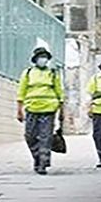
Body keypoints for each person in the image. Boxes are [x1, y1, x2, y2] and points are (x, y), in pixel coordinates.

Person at [17, 47, 64, 175]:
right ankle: (37, 157)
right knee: (30, 136)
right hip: (32, 108)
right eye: (40, 57)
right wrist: (19, 110)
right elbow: (21, 92)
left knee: (46, 137)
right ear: (35, 59)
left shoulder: (53, 73)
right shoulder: (27, 73)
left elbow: (60, 92)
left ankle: (43, 163)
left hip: (49, 109)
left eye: (45, 57)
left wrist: (62, 110)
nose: (43, 59)